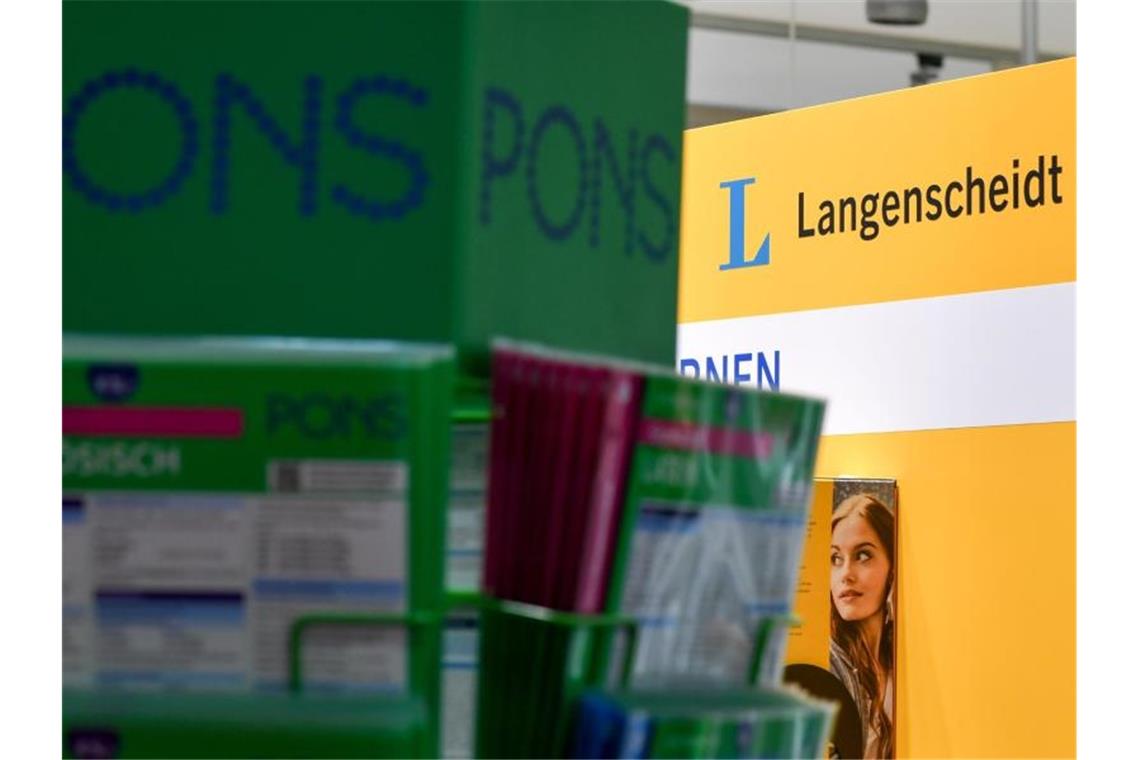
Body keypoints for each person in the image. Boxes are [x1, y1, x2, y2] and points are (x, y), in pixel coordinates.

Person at [829, 494, 896, 759]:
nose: (846, 573)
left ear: (892, 566)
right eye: (835, 558)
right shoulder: (829, 665)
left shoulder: (900, 659)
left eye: (863, 555)